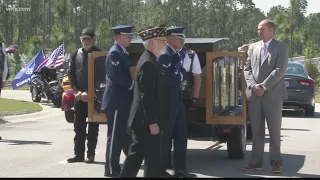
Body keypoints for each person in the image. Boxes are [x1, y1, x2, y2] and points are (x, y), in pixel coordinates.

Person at [119, 25, 168, 178]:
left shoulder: (150, 59)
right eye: (162, 40)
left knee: (136, 156)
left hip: (142, 119)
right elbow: (146, 96)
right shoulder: (148, 63)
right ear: (152, 43)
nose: (165, 43)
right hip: (145, 121)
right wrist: (152, 121)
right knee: (152, 160)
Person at [241, 19, 288, 173]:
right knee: (256, 130)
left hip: (273, 95)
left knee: (274, 131)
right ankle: (256, 161)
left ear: (271, 30)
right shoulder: (253, 47)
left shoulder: (281, 47)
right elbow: (247, 69)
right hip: (255, 95)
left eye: (261, 29)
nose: (258, 32)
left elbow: (279, 70)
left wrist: (264, 86)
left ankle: (276, 162)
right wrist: (254, 86)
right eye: (258, 29)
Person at [159, 26, 196, 178]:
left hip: (178, 100)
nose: (182, 41)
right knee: (165, 139)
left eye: (183, 38)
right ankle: (160, 171)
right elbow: (164, 82)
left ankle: (180, 168)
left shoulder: (177, 54)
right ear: (170, 39)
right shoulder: (165, 55)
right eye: (179, 38)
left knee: (181, 136)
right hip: (168, 103)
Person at [101, 25, 135, 177]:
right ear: (119, 37)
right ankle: (110, 169)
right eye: (128, 36)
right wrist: (134, 85)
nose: (130, 38)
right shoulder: (114, 53)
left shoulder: (123, 53)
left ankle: (115, 166)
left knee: (120, 136)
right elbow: (117, 77)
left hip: (122, 102)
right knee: (114, 137)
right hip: (116, 102)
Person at [67, 28, 103, 164]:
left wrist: (91, 92)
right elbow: (71, 73)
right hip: (79, 97)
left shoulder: (100, 54)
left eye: (88, 38)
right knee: (78, 127)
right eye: (83, 38)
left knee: (93, 127)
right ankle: (78, 154)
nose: (86, 41)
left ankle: (91, 155)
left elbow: (102, 77)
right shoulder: (76, 54)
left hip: (94, 96)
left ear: (94, 39)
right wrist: (76, 91)